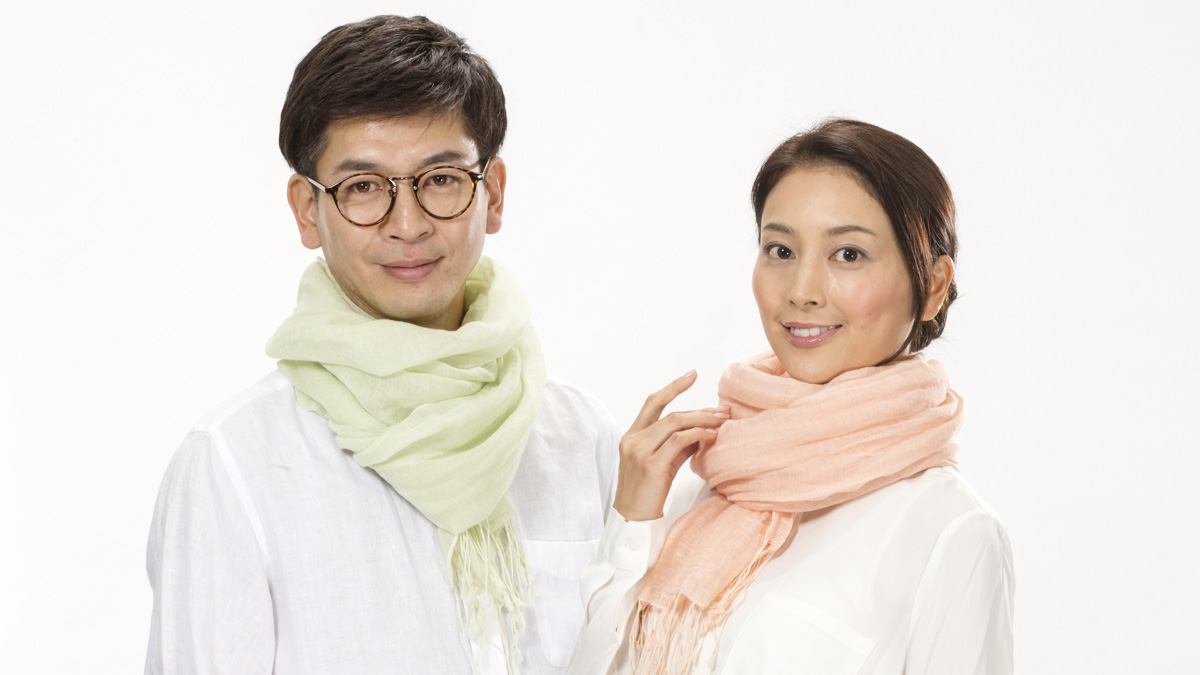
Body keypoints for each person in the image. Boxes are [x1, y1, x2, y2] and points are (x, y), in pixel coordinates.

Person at [144, 15, 618, 675]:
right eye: (363, 187)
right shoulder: (236, 462)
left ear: (493, 194)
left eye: (441, 178)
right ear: (307, 211)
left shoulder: (580, 436)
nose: (408, 224)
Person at [568, 119, 1014, 675]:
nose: (801, 291)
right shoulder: (703, 486)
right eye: (780, 250)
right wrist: (633, 521)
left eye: (848, 254)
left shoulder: (949, 532)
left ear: (933, 286)